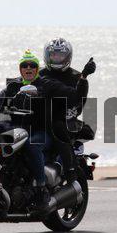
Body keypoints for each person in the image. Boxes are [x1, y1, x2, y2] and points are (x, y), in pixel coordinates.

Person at [0, 50, 89, 209]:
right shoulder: (14, 86)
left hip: (42, 132)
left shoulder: (48, 84)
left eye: (32, 66)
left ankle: (40, 188)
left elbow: (75, 97)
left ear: (37, 69)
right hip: (17, 130)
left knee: (32, 145)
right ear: (20, 69)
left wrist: (83, 78)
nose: (28, 68)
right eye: (25, 65)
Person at [39, 38, 96, 183]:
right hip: (40, 118)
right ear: (47, 56)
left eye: (60, 55)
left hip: (65, 118)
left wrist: (84, 77)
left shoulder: (77, 76)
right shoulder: (39, 74)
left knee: (60, 129)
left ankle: (68, 168)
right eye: (53, 55)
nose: (57, 58)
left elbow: (79, 102)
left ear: (67, 56)